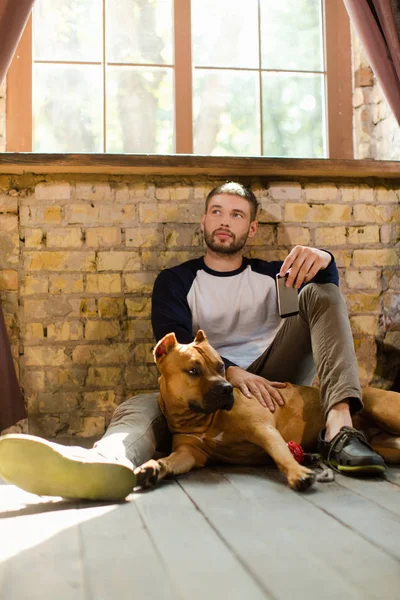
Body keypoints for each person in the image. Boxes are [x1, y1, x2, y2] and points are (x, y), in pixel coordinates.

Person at [0, 182, 385, 501]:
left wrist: (324, 258)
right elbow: (178, 345)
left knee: (322, 293)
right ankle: (105, 461)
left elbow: (324, 301)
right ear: (203, 220)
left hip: (273, 379)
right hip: (205, 383)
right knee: (141, 405)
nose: (224, 221)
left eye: (237, 215)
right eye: (217, 211)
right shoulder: (176, 280)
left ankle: (339, 427)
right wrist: (230, 374)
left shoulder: (275, 275)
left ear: (251, 229)